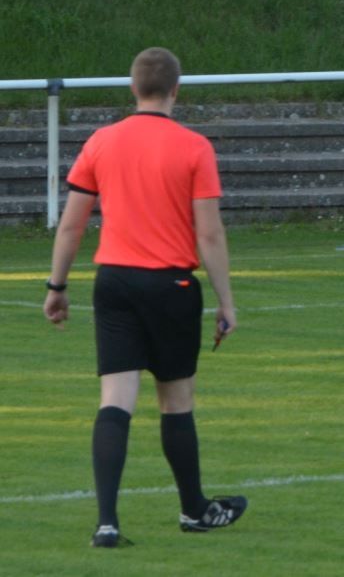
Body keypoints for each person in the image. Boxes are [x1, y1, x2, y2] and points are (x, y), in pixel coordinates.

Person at [44, 47, 246, 548]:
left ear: (133, 88)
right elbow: (209, 234)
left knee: (116, 401)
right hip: (171, 286)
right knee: (176, 401)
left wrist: (57, 287)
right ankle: (193, 510)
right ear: (176, 90)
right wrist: (226, 301)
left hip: (114, 283)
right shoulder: (194, 147)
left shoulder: (102, 141)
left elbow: (71, 225)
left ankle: (107, 523)